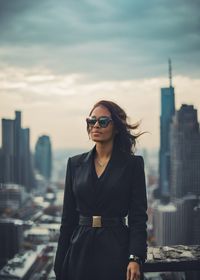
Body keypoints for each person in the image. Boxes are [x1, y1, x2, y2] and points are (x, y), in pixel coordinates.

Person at [54, 100, 148, 280]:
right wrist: (59, 264)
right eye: (92, 121)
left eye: (103, 121)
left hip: (116, 249)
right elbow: (68, 219)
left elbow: (138, 217)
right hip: (79, 250)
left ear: (117, 128)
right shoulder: (74, 164)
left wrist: (135, 257)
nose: (96, 125)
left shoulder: (132, 165)